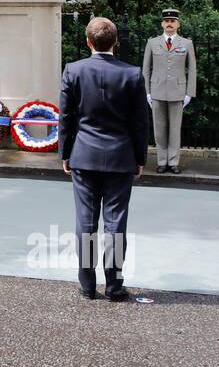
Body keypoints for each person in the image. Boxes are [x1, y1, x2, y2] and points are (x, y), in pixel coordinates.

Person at [58, 16, 150, 301]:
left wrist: (65, 153)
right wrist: (139, 157)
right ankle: (114, 285)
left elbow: (67, 117)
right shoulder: (132, 74)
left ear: (88, 42)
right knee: (115, 223)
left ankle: (87, 284)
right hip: (121, 156)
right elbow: (139, 123)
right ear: (116, 42)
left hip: (84, 155)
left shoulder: (73, 70)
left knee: (86, 222)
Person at [142, 8, 197, 173]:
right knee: (159, 129)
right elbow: (145, 69)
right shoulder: (152, 43)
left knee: (175, 129)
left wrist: (189, 93)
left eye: (173, 21)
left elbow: (192, 69)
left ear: (178, 24)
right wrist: (147, 92)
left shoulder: (186, 43)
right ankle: (161, 161)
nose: (169, 24)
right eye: (166, 21)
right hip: (157, 90)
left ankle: (173, 162)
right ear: (162, 23)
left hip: (178, 92)